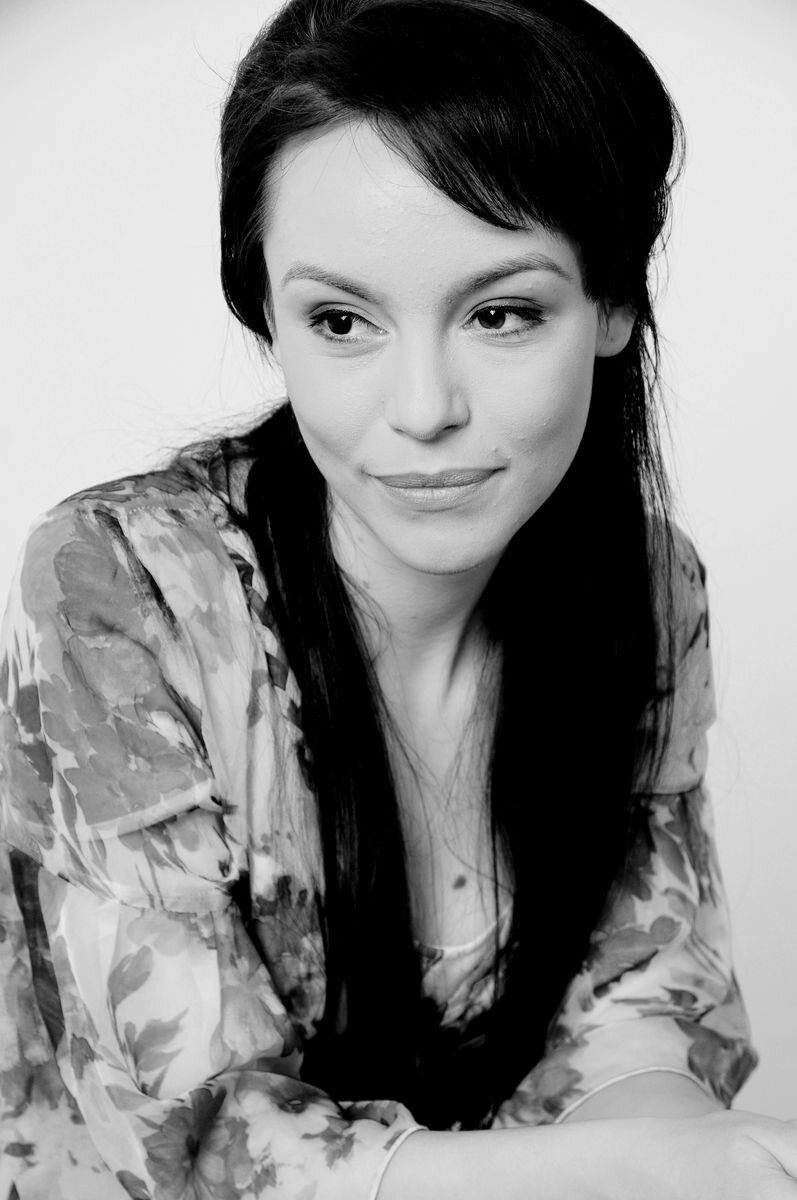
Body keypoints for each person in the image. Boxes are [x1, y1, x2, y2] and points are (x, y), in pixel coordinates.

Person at [1, 0, 796, 1197]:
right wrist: (613, 1172)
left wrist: (709, 1164)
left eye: (500, 313)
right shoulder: (121, 589)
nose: (422, 409)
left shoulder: (645, 583)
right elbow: (191, 1143)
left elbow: (634, 1005)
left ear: (612, 306)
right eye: (339, 321)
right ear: (267, 316)